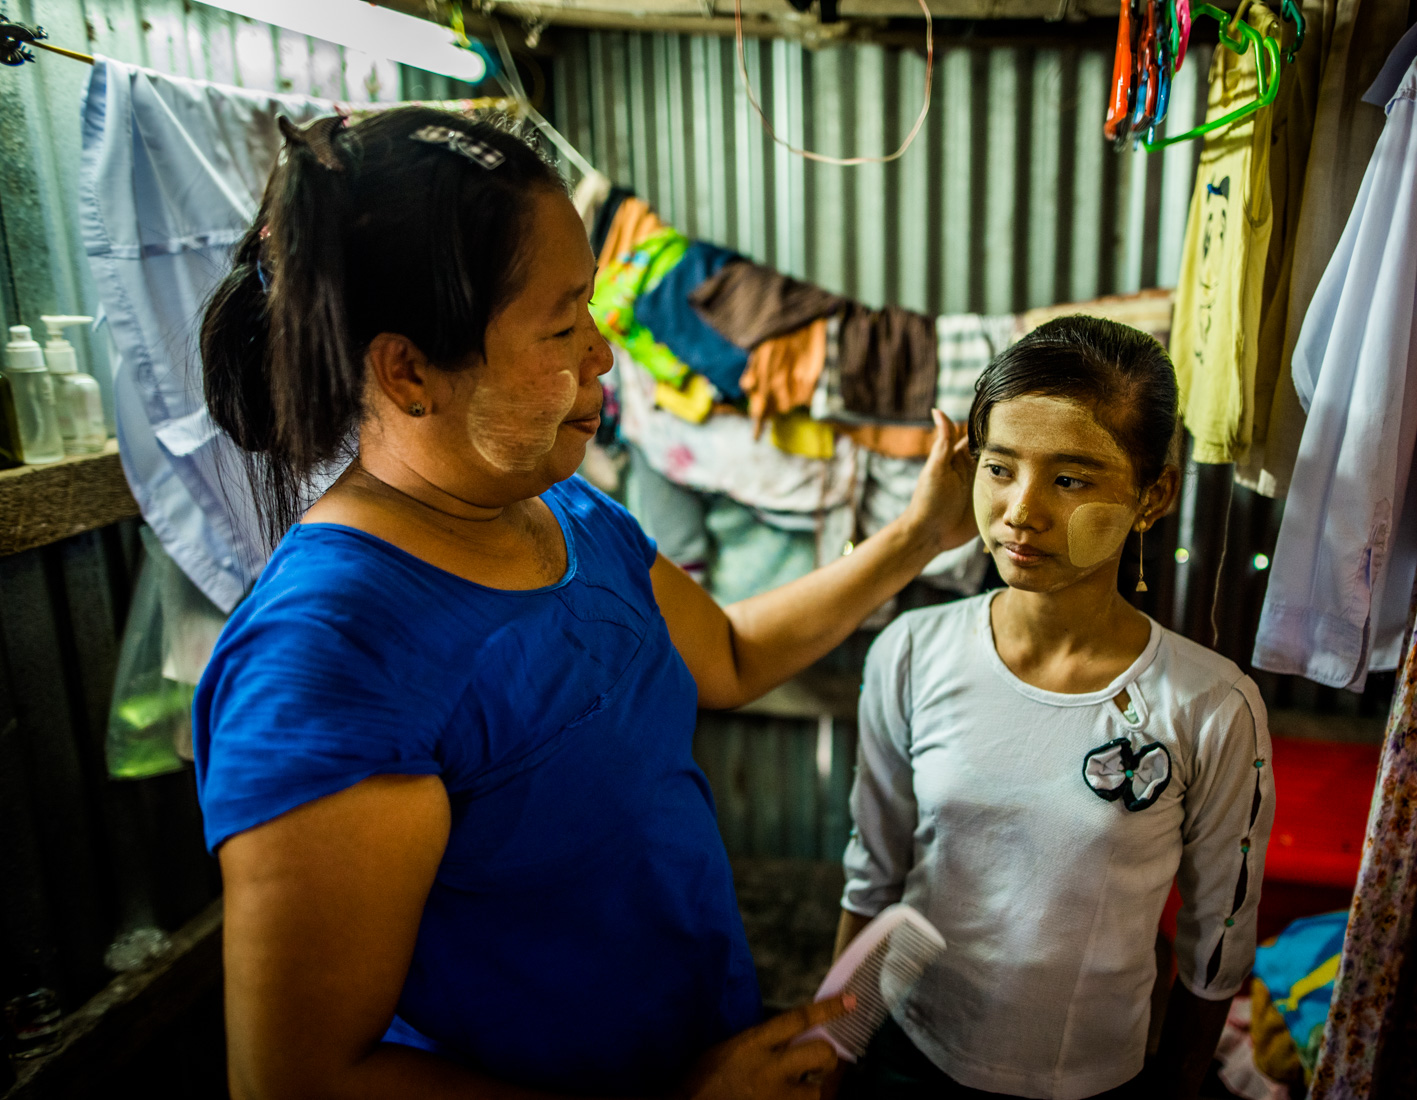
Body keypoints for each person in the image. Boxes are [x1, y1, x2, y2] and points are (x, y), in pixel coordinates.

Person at [192, 108, 976, 1100]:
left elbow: (728, 654)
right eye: (563, 325)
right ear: (408, 371)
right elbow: (301, 1079)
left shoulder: (564, 512)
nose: (603, 354)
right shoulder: (328, 659)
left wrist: (917, 535)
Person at [834, 317, 1274, 1100]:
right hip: (909, 1056)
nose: (1021, 510)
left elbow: (1218, 939)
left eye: (1070, 480)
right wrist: (835, 1053)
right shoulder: (912, 653)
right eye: (999, 467)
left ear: (1153, 495)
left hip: (1095, 1081)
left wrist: (1177, 1085)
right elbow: (873, 880)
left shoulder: (1210, 707)